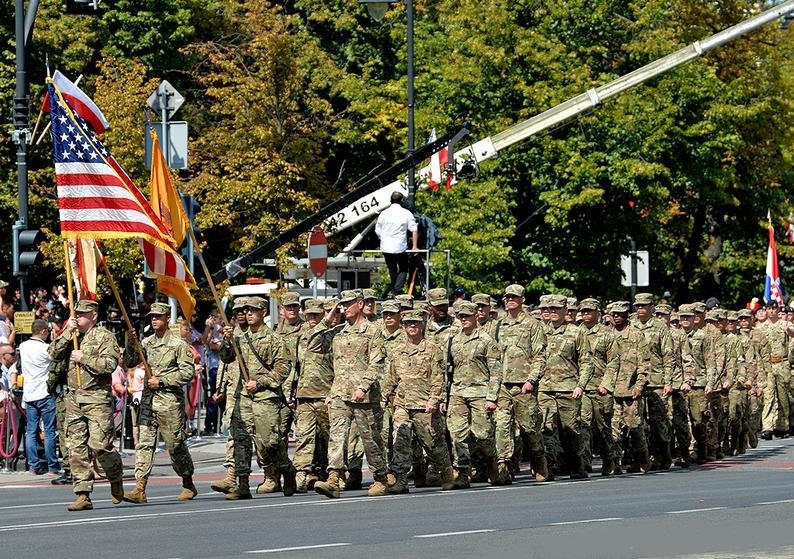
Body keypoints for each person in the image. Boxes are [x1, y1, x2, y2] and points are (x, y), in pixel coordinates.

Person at [49, 299, 124, 512]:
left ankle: (115, 476)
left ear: (93, 315)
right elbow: (53, 354)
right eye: (76, 313)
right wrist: (66, 333)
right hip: (73, 398)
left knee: (100, 445)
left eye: (82, 314)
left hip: (97, 398)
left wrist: (84, 358)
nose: (78, 317)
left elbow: (110, 365)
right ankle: (83, 494)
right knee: (76, 447)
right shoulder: (70, 335)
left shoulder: (104, 336)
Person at [314, 290, 389, 499]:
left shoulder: (373, 331)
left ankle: (381, 477)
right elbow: (313, 345)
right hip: (340, 394)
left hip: (364, 397)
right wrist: (326, 322)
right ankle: (333, 479)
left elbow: (377, 363)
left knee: (371, 440)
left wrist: (363, 386)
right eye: (342, 305)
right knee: (337, 437)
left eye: (348, 304)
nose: (344, 308)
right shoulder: (339, 332)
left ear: (360, 303)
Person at [219, 296, 294, 500]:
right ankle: (242, 484)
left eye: (253, 310)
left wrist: (260, 382)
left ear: (264, 313)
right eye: (246, 310)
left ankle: (287, 469)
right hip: (243, 397)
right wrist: (227, 343)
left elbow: (283, 368)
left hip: (266, 397)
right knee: (241, 439)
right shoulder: (239, 337)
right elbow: (226, 358)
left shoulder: (274, 339)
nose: (249, 313)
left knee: (268, 442)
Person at [122, 302, 198, 504]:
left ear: (166, 318)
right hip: (148, 401)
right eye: (151, 317)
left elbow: (187, 372)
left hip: (169, 402)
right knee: (144, 444)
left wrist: (163, 381)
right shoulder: (146, 343)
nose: (154, 319)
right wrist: (131, 343)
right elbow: (130, 362)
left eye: (158, 316)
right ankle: (139, 488)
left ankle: (188, 481)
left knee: (175, 446)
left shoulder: (178, 345)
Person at [382, 309, 454, 492]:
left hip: (424, 405)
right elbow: (390, 379)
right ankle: (401, 480)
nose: (412, 326)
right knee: (400, 439)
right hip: (402, 404)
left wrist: (434, 400)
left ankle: (446, 472)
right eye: (408, 323)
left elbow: (438, 378)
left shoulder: (432, 349)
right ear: (403, 326)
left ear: (422, 325)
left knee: (433, 444)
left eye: (415, 323)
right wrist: (382, 399)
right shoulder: (397, 351)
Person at [445, 301, 502, 488]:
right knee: (457, 434)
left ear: (475, 316)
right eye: (460, 316)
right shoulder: (453, 341)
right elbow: (448, 370)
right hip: (458, 393)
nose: (463, 320)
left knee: (483, 434)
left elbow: (495, 371)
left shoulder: (486, 340)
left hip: (480, 392)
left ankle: (492, 463)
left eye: (466, 316)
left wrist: (492, 397)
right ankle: (463, 472)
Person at [19, 319, 60, 475]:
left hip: (29, 394)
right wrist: (55, 340)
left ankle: (33, 466)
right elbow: (56, 357)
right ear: (43, 331)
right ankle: (52, 466)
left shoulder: (23, 346)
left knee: (31, 430)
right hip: (44, 392)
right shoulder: (45, 348)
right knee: (49, 431)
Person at [375, 191, 418, 296]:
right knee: (403, 268)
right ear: (401, 201)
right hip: (400, 246)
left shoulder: (384, 213)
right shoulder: (406, 213)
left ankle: (396, 290)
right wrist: (414, 246)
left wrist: (383, 239)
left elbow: (377, 230)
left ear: (391, 200)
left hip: (386, 246)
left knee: (392, 269)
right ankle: (398, 289)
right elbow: (414, 229)